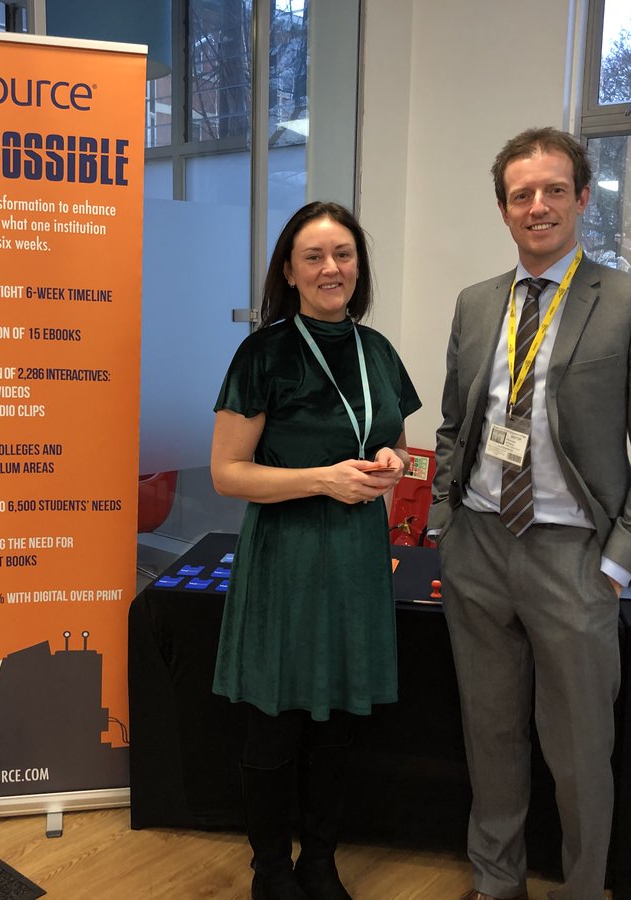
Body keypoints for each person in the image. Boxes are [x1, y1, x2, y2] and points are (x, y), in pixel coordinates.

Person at [429, 128, 631, 900]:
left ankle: (581, 890)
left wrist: (619, 562)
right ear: (504, 209)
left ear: (581, 198)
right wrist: (444, 521)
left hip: (574, 557)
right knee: (490, 736)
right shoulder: (477, 304)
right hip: (479, 545)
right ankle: (496, 882)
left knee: (578, 752)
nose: (536, 206)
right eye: (521, 195)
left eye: (552, 191)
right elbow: (455, 425)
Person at [211, 200, 421, 900]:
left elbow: (394, 445)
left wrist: (390, 463)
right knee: (275, 726)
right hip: (288, 557)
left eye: (344, 254)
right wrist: (322, 479)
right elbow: (227, 473)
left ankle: (320, 861)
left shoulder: (377, 350)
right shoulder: (263, 353)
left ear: (359, 266)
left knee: (337, 725)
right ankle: (271, 870)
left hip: (357, 556)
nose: (331, 268)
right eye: (314, 256)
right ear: (290, 271)